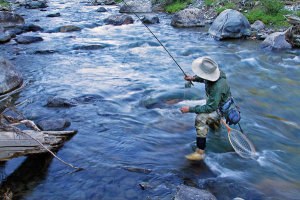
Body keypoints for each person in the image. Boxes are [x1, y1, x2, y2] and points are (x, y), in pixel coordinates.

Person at [180, 57, 231, 160]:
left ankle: (200, 152)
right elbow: (204, 78)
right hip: (217, 103)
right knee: (212, 122)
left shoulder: (217, 87)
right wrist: (193, 78)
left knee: (201, 118)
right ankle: (216, 131)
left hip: (220, 108)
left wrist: (190, 109)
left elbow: (210, 108)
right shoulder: (216, 73)